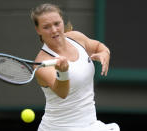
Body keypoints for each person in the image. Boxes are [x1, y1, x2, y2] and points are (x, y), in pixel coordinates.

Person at [30, 3, 120, 131]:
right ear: (38, 30)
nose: (54, 30)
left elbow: (98, 46)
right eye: (46, 27)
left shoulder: (76, 37)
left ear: (62, 21)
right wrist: (63, 72)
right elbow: (62, 92)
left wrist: (105, 53)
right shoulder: (42, 63)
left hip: (90, 125)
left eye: (57, 23)